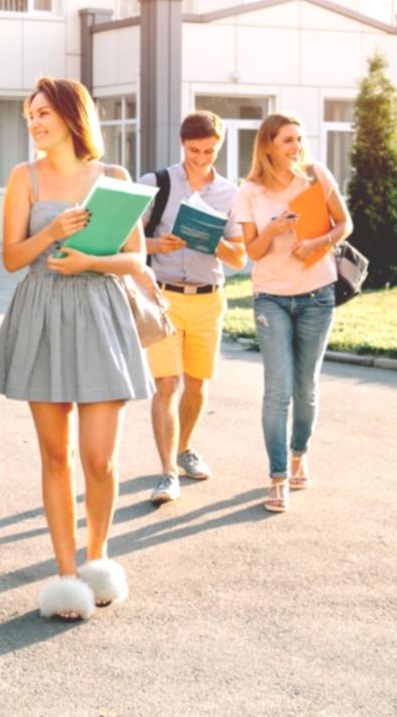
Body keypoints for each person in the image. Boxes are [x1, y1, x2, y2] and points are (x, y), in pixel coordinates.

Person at [0, 77, 153, 622]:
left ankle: (98, 559)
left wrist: (91, 262)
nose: (33, 124)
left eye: (41, 114)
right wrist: (52, 230)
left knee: (99, 458)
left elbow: (137, 261)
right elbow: (11, 258)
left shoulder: (116, 178)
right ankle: (63, 574)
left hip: (101, 312)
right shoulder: (23, 177)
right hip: (44, 313)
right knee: (55, 456)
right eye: (28, 116)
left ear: (70, 115)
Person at [232, 112, 353, 514]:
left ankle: (299, 454)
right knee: (277, 390)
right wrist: (276, 229)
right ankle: (277, 476)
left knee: (306, 386)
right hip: (271, 298)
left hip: (317, 294)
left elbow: (345, 224)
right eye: (287, 141)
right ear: (267, 145)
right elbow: (251, 251)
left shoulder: (315, 175)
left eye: (298, 139)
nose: (296, 147)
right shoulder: (250, 190)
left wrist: (317, 242)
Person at [138, 111, 247, 505]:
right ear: (182, 144)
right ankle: (167, 472)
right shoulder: (155, 183)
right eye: (193, 150)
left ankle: (184, 447)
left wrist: (211, 239)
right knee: (167, 384)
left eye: (208, 151)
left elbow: (238, 258)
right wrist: (156, 245)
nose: (201, 158)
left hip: (208, 297)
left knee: (197, 384)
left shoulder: (231, 194)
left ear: (218, 146)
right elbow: (123, 239)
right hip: (163, 297)